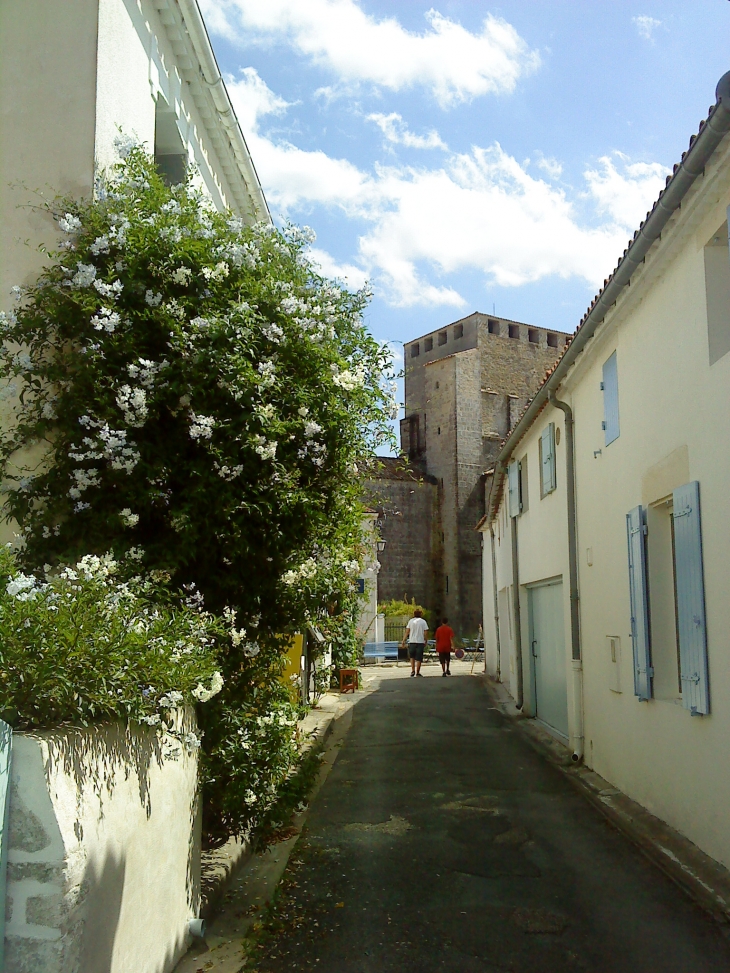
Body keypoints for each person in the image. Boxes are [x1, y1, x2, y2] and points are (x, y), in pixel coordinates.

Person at [401, 609, 428, 677]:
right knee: (419, 657)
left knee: (412, 656)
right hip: (420, 641)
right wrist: (425, 640)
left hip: (412, 641)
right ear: (421, 614)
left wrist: (403, 640)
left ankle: (412, 670)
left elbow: (407, 631)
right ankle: (418, 672)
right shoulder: (423, 622)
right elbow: (425, 632)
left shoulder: (411, 621)